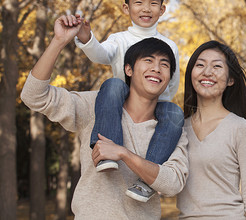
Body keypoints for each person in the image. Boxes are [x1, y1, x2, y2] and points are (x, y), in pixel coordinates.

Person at [20, 17, 189, 219]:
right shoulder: (96, 105)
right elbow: (33, 96)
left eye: (164, 64)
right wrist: (58, 41)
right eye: (148, 60)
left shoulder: (172, 128)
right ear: (128, 69)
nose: (156, 68)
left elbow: (173, 184)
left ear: (169, 78)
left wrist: (124, 154)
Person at [64, 0, 183, 202]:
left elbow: (172, 82)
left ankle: (146, 181)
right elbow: (101, 55)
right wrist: (87, 38)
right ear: (126, 8)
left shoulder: (169, 45)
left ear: (162, 9)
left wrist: (156, 102)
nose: (146, 8)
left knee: (175, 112)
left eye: (153, 3)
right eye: (139, 2)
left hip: (154, 102)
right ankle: (108, 148)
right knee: (113, 84)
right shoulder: (118, 39)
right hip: (123, 99)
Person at [177, 40, 246, 219]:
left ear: (231, 80)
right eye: (200, 65)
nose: (207, 72)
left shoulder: (241, 128)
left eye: (217, 66)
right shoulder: (178, 128)